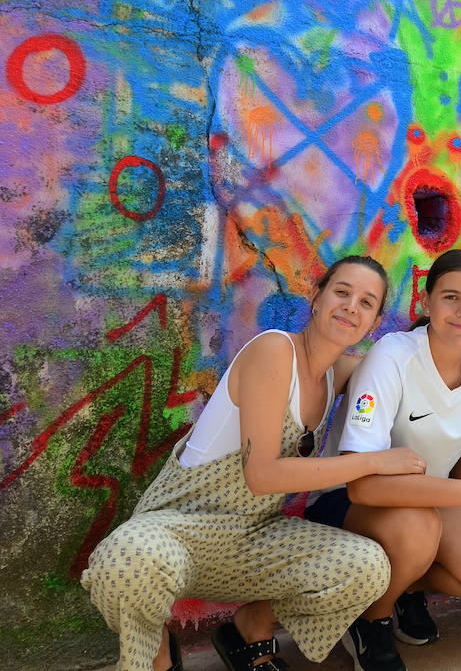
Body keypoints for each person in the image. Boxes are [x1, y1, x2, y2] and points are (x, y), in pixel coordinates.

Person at [82, 256, 401, 671]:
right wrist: (374, 463)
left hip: (253, 539)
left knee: (367, 567)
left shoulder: (340, 373)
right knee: (124, 559)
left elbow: (413, 363)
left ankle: (251, 626)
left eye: (366, 302)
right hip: (178, 530)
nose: (351, 307)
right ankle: (158, 654)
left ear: (374, 322)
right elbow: (263, 474)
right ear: (317, 297)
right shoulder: (274, 350)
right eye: (342, 292)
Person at [308, 249, 461, 671]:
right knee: (417, 526)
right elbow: (361, 484)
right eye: (450, 297)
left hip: (428, 499)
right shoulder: (392, 357)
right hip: (352, 505)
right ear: (426, 301)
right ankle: (369, 621)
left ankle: (400, 586)